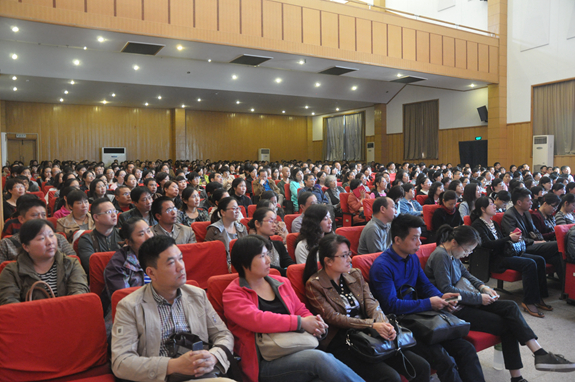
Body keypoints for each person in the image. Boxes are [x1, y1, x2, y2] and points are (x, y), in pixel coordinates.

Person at [426, 224, 575, 379]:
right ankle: (527, 367)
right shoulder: (440, 256)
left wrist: (484, 288)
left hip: (464, 301)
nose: (467, 255)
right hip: (451, 307)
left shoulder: (451, 254)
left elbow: (467, 274)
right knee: (508, 324)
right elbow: (446, 291)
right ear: (454, 242)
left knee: (510, 307)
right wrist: (479, 298)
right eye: (467, 250)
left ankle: (539, 354)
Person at [222, 235, 363, 382]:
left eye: (268, 255)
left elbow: (300, 309)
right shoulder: (233, 294)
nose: (269, 261)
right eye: (262, 256)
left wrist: (315, 323)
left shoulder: (281, 282)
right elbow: (258, 320)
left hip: (296, 347)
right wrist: (301, 322)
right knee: (318, 359)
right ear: (244, 261)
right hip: (264, 362)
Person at [369, 214, 485, 382]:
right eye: (414, 238)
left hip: (422, 317)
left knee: (466, 348)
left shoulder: (412, 258)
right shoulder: (382, 266)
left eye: (419, 237)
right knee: (445, 360)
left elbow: (424, 285)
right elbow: (390, 305)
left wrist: (441, 298)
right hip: (403, 324)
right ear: (398, 240)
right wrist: (429, 303)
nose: (419, 243)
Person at [304, 234, 430, 382]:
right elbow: (334, 318)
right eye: (344, 256)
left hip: (370, 333)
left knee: (422, 366)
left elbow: (371, 302)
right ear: (328, 261)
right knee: (390, 377)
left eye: (349, 254)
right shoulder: (315, 285)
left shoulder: (355, 274)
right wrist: (372, 324)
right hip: (344, 341)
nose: (349, 259)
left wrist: (383, 323)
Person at [111, 235, 235, 382]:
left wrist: (214, 356)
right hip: (160, 377)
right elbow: (121, 362)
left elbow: (223, 334)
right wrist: (172, 365)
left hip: (201, 374)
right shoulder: (130, 306)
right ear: (151, 273)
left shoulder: (197, 295)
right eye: (171, 263)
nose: (181, 266)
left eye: (181, 258)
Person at [0, 219, 89, 305]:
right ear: (26, 247)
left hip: (68, 316)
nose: (50, 242)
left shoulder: (71, 263)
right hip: (29, 319)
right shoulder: (11, 271)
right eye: (41, 238)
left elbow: (79, 295)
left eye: (51, 235)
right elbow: (10, 304)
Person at [501, 188, 564, 286]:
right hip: (522, 247)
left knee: (556, 257)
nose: (531, 203)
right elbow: (516, 238)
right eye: (528, 200)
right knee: (558, 244)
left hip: (533, 245)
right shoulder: (509, 216)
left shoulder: (526, 212)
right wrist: (535, 242)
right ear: (519, 202)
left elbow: (535, 231)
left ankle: (567, 287)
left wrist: (541, 240)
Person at [102, 217, 153, 315]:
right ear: (129, 242)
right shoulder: (118, 264)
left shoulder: (160, 254)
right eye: (142, 234)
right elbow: (124, 300)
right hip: (129, 314)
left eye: (149, 231)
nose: (149, 237)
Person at [0, 198, 76, 262]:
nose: (40, 219)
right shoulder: (6, 244)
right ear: (21, 219)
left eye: (43, 215)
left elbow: (73, 261)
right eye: (34, 215)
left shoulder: (58, 238)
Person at [77, 198, 123, 275]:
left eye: (115, 211)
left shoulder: (123, 234)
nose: (114, 215)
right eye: (109, 212)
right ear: (96, 217)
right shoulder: (86, 239)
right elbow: (92, 266)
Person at [247, 208, 294, 276]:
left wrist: (290, 270)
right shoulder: (249, 246)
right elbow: (263, 268)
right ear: (257, 223)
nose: (274, 225)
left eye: (275, 222)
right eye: (270, 221)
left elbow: (290, 265)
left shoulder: (278, 244)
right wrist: (285, 271)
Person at [205, 197, 247, 262]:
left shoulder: (242, 228)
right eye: (234, 208)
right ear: (223, 212)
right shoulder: (214, 229)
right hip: (221, 264)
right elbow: (208, 253)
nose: (237, 211)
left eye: (238, 208)